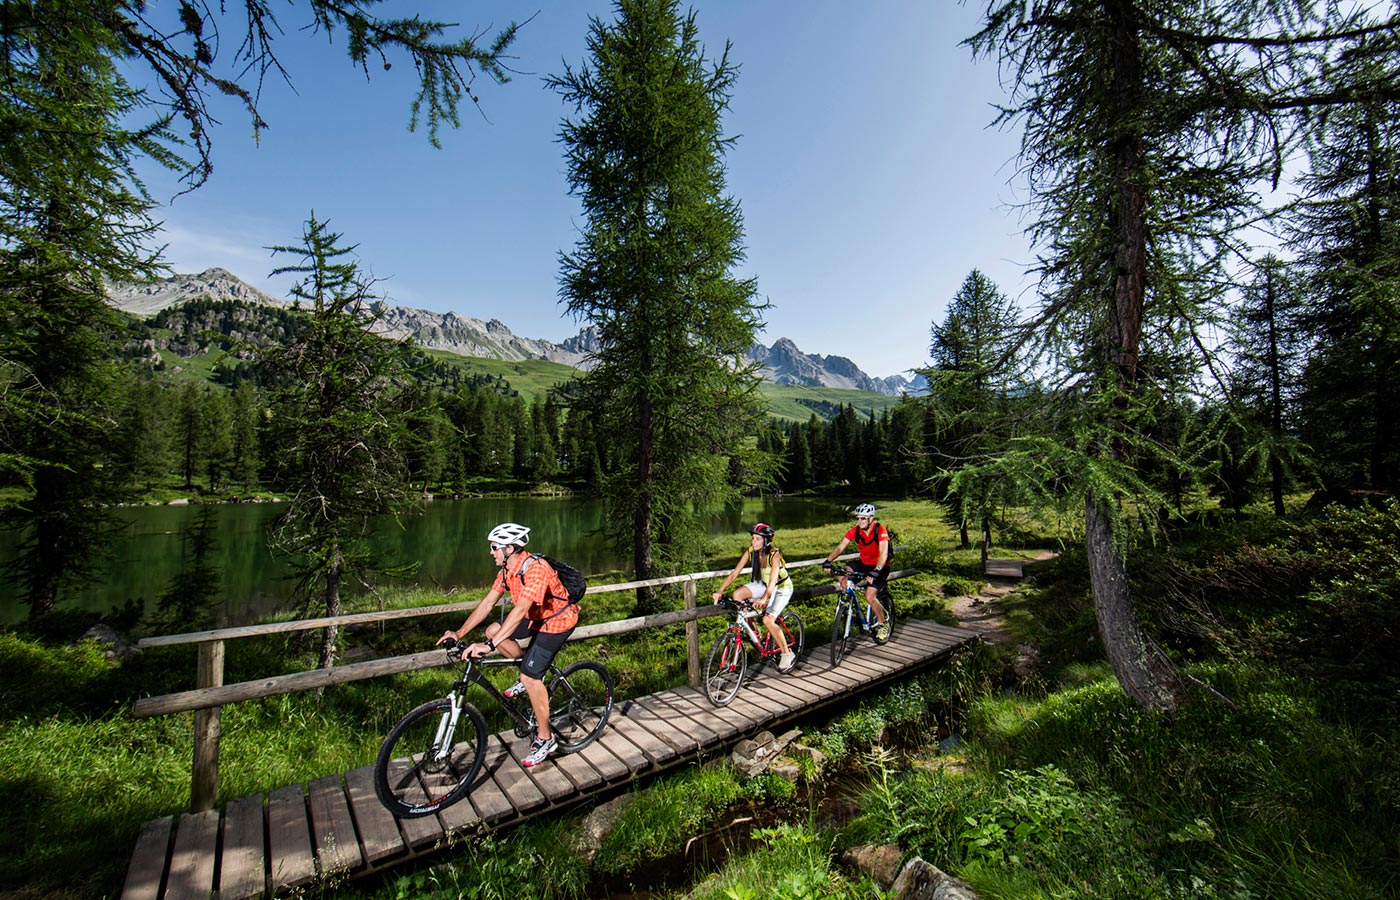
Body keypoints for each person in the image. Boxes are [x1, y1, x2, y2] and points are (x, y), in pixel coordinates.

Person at [437, 522, 578, 768]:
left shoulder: (536, 569)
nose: (490, 552)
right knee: (494, 629)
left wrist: (489, 646)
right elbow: (487, 603)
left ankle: (546, 738)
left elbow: (520, 609)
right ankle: (530, 672)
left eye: (494, 548)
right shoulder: (506, 571)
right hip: (536, 615)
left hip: (558, 619)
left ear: (509, 548)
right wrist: (459, 633)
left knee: (530, 677)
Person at [712, 523, 797, 673]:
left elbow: (772, 582)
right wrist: (720, 590)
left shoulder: (774, 554)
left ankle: (787, 653)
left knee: (767, 619)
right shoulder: (751, 552)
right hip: (764, 584)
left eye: (757, 539)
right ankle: (756, 633)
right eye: (753, 538)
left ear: (766, 540)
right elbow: (734, 573)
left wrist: (763, 599)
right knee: (737, 595)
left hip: (782, 587)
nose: (753, 542)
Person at [823, 503, 890, 640]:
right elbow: (841, 547)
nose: (859, 521)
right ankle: (848, 599)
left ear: (871, 518)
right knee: (842, 572)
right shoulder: (856, 530)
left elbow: (883, 553)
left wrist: (876, 571)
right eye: (858, 518)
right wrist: (828, 561)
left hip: (880, 566)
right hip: (864, 564)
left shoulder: (880, 530)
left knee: (869, 597)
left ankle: (883, 624)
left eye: (863, 518)